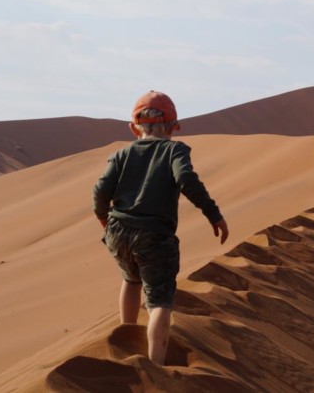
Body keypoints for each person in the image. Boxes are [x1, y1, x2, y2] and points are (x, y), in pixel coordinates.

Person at [93, 90, 229, 365]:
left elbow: (101, 190)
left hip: (118, 230)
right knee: (159, 302)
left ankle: (126, 342)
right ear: (173, 126)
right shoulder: (174, 150)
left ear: (134, 128)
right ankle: (155, 368)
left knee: (131, 279)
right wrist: (213, 214)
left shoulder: (121, 154)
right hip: (154, 235)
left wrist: (103, 218)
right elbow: (186, 179)